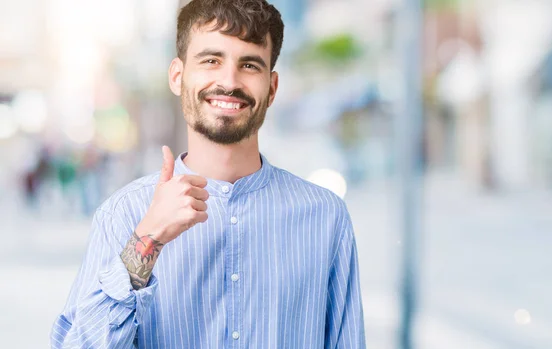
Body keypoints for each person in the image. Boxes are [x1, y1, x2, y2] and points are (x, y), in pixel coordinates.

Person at [51, 0, 366, 348]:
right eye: (211, 60)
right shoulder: (123, 215)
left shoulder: (325, 217)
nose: (229, 81)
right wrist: (148, 238)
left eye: (249, 65)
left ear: (272, 88)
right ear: (177, 75)